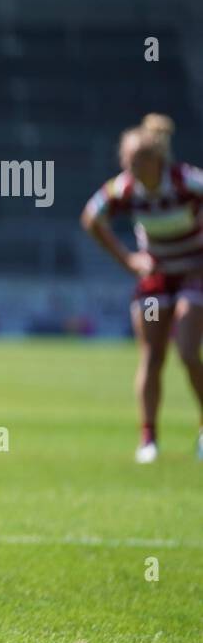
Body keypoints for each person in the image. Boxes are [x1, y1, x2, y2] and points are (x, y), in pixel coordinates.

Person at [81, 113, 203, 462]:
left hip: (195, 274)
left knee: (188, 351)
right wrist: (128, 260)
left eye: (137, 160)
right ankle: (148, 438)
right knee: (152, 355)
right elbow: (90, 218)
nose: (129, 165)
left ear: (156, 160)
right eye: (127, 160)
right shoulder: (125, 188)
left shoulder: (186, 182)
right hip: (155, 279)